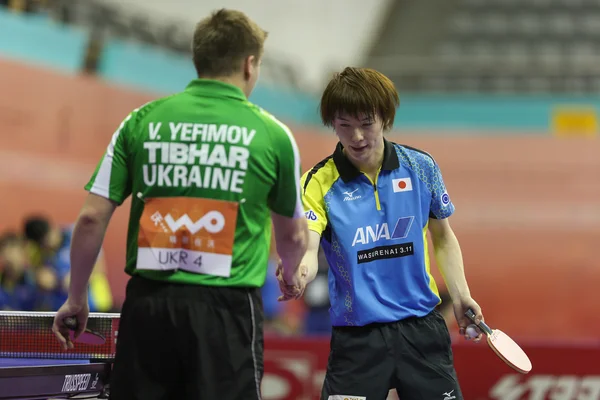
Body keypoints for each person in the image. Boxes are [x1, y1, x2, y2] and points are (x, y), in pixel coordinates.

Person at [51, 8, 308, 400]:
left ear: (198, 58)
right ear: (249, 64)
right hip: (227, 312)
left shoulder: (141, 121)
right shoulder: (272, 135)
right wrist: (290, 274)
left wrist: (76, 296)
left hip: (148, 307)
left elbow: (89, 219)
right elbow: (292, 235)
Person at [277, 67, 485, 400]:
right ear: (333, 124)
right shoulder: (318, 182)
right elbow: (308, 245)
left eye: (366, 124)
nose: (357, 137)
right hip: (357, 338)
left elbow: (443, 237)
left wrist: (460, 296)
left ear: (384, 118)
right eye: (344, 126)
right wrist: (299, 273)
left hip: (421, 328)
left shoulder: (420, 167)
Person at [23, 215, 113, 312]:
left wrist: (78, 280)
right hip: (61, 310)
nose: (47, 246)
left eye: (47, 239)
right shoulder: (36, 251)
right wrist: (39, 278)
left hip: (96, 305)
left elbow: (99, 267)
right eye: (42, 244)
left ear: (52, 229)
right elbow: (34, 277)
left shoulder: (78, 234)